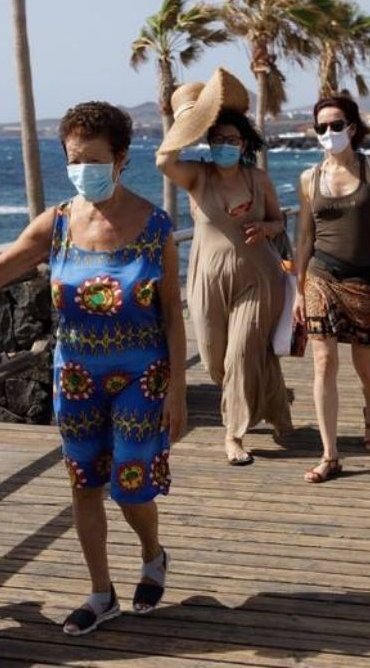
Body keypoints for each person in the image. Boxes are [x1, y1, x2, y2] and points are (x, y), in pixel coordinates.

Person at [0, 101, 187, 635]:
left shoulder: (155, 225)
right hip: (75, 376)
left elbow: (172, 314)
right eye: (74, 160)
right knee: (84, 485)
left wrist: (178, 392)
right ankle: (101, 594)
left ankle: (152, 553)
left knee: (131, 486)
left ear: (121, 158)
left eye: (93, 161)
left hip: (142, 376)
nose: (82, 171)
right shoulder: (56, 223)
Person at [156, 68, 293, 466]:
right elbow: (164, 160)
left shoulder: (258, 178)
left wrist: (266, 227)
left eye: (232, 140)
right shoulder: (197, 175)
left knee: (241, 354)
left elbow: (279, 222)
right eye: (217, 140)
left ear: (244, 143)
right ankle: (278, 406)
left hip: (258, 276)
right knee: (217, 359)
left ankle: (233, 434)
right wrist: (189, 119)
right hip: (207, 277)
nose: (224, 146)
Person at [293, 96, 370, 483]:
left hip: (365, 278)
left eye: (336, 125)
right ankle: (330, 455)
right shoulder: (308, 179)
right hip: (321, 275)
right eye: (321, 127)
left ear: (352, 126)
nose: (329, 133)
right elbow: (303, 239)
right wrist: (298, 290)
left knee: (365, 366)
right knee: (323, 362)